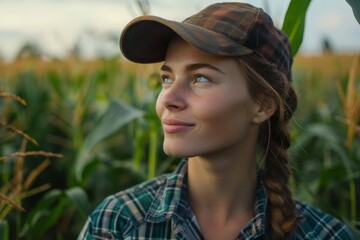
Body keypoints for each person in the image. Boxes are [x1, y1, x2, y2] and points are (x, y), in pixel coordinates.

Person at [78, 2, 356, 239]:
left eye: (201, 78)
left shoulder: (325, 235)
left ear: (263, 105)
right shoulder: (115, 224)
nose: (168, 99)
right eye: (167, 78)